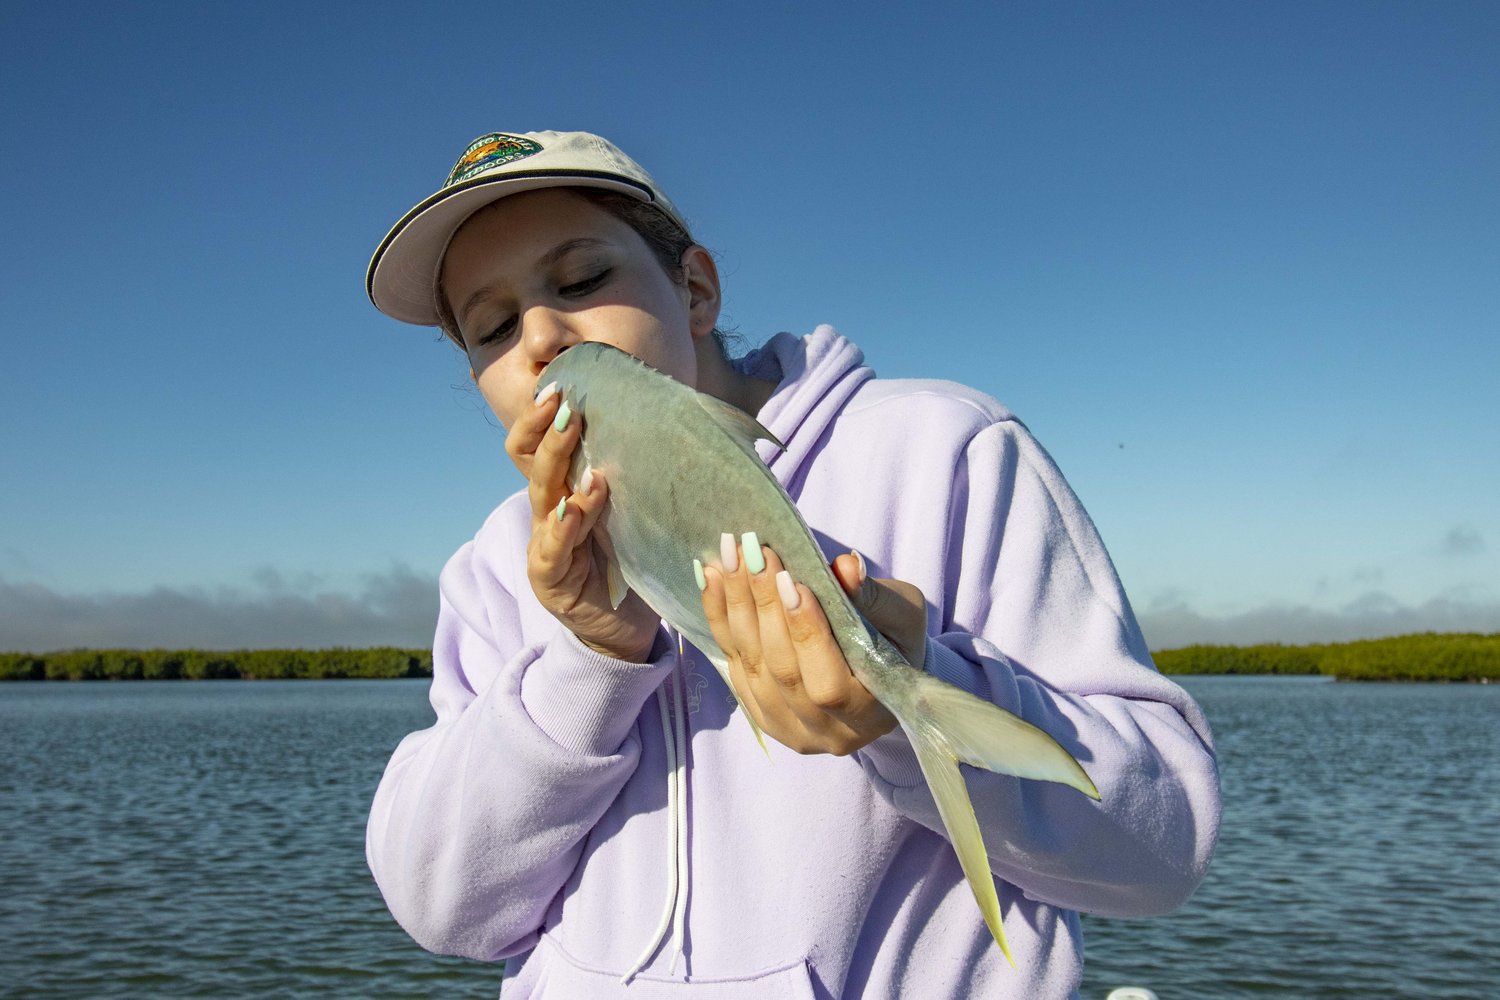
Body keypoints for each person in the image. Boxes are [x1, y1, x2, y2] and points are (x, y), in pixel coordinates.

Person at [364, 130, 1221, 999]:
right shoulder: (493, 568)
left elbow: (1163, 850)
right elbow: (446, 912)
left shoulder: (942, 451)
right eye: (492, 327)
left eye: (583, 279)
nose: (543, 334)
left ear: (695, 289)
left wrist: (910, 695)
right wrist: (585, 660)